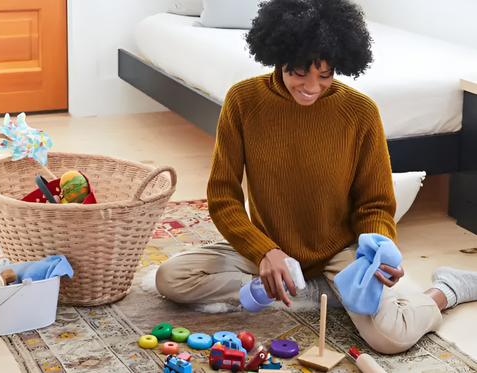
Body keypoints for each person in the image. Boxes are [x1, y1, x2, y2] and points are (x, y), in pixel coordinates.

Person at [155, 0, 477, 354]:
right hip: (270, 246)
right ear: (278, 57)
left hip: (338, 251)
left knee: (391, 338)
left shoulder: (360, 113)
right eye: (299, 72)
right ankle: (310, 289)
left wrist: (379, 249)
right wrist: (265, 252)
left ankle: (445, 290)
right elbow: (223, 197)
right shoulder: (243, 102)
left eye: (325, 75)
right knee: (171, 278)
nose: (312, 86)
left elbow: (375, 203)